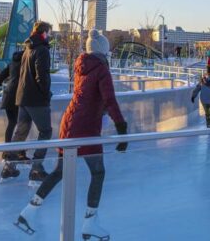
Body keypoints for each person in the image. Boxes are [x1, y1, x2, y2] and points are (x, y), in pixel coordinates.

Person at [15, 29, 128, 240]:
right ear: (103, 50)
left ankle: (28, 212)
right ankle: (90, 223)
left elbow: (91, 97)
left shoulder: (81, 66)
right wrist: (121, 127)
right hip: (86, 129)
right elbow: (110, 99)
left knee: (60, 171)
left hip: (69, 124)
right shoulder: (101, 69)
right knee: (98, 173)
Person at [0, 21, 53, 183]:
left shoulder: (28, 49)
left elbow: (23, 74)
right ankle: (37, 168)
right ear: (44, 33)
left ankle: (9, 167)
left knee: (20, 132)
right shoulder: (42, 50)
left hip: (22, 98)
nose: (50, 36)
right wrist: (46, 93)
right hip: (36, 99)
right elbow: (41, 76)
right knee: (45, 131)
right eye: (49, 32)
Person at [0, 50, 30, 164]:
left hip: (8, 96)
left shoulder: (13, 63)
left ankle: (7, 151)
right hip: (18, 97)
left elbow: (0, 77)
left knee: (11, 124)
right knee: (22, 126)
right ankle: (17, 152)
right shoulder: (25, 63)